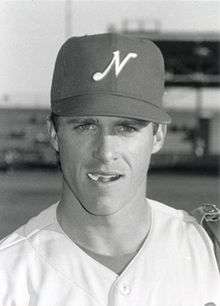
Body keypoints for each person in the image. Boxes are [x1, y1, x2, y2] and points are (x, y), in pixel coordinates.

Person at [0, 33, 219, 306]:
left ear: (159, 135)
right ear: (54, 134)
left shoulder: (210, 252)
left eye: (126, 128)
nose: (104, 152)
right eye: (85, 126)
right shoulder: (8, 276)